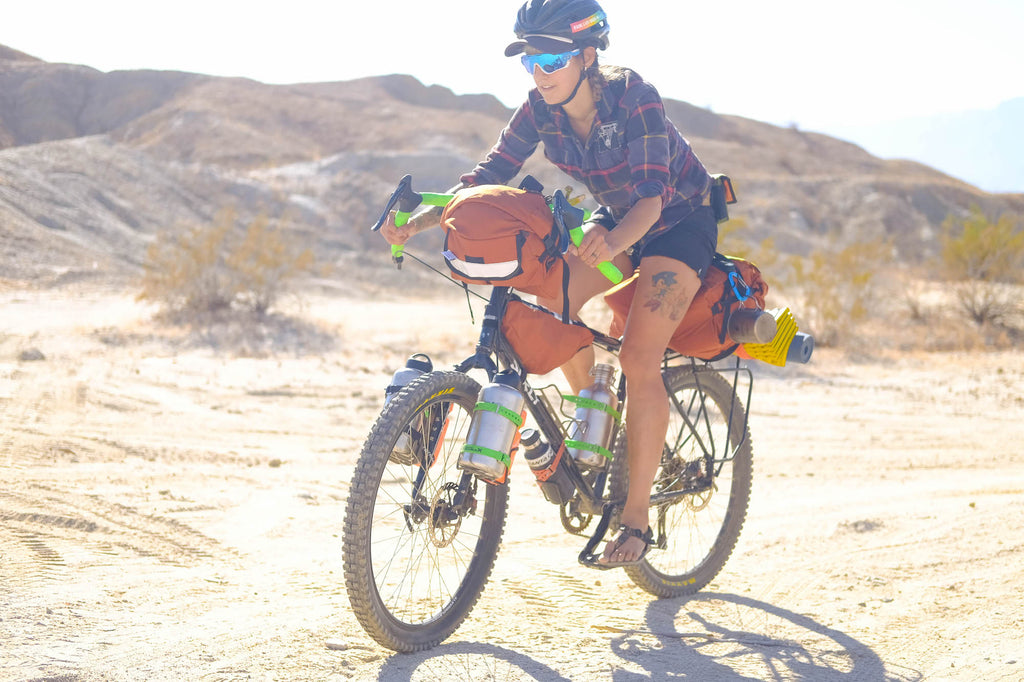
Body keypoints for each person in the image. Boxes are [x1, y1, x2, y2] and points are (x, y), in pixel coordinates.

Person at [381, 0, 717, 568]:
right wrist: (416, 222)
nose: (542, 72)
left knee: (639, 356)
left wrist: (611, 243)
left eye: (554, 58)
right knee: (549, 298)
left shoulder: (635, 97)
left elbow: (653, 199)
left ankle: (635, 521)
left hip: (679, 222)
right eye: (531, 60)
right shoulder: (539, 108)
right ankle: (596, 407)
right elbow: (486, 179)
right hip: (616, 218)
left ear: (588, 55)